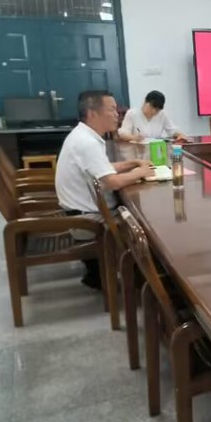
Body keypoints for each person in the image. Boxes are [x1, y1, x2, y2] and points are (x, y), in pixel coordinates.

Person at [56, 90, 155, 289]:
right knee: (148, 227)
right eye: (112, 110)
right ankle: (143, 281)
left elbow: (103, 168)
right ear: (92, 113)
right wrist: (140, 172)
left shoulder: (83, 135)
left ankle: (100, 272)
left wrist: (132, 164)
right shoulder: (87, 143)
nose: (117, 114)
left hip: (80, 211)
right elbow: (112, 182)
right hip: (86, 220)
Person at [118, 90, 187, 142]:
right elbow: (123, 133)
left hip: (156, 149)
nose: (154, 111)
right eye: (152, 107)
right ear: (145, 102)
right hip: (137, 149)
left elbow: (172, 130)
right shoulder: (132, 113)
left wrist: (179, 135)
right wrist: (134, 137)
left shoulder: (162, 114)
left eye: (157, 110)